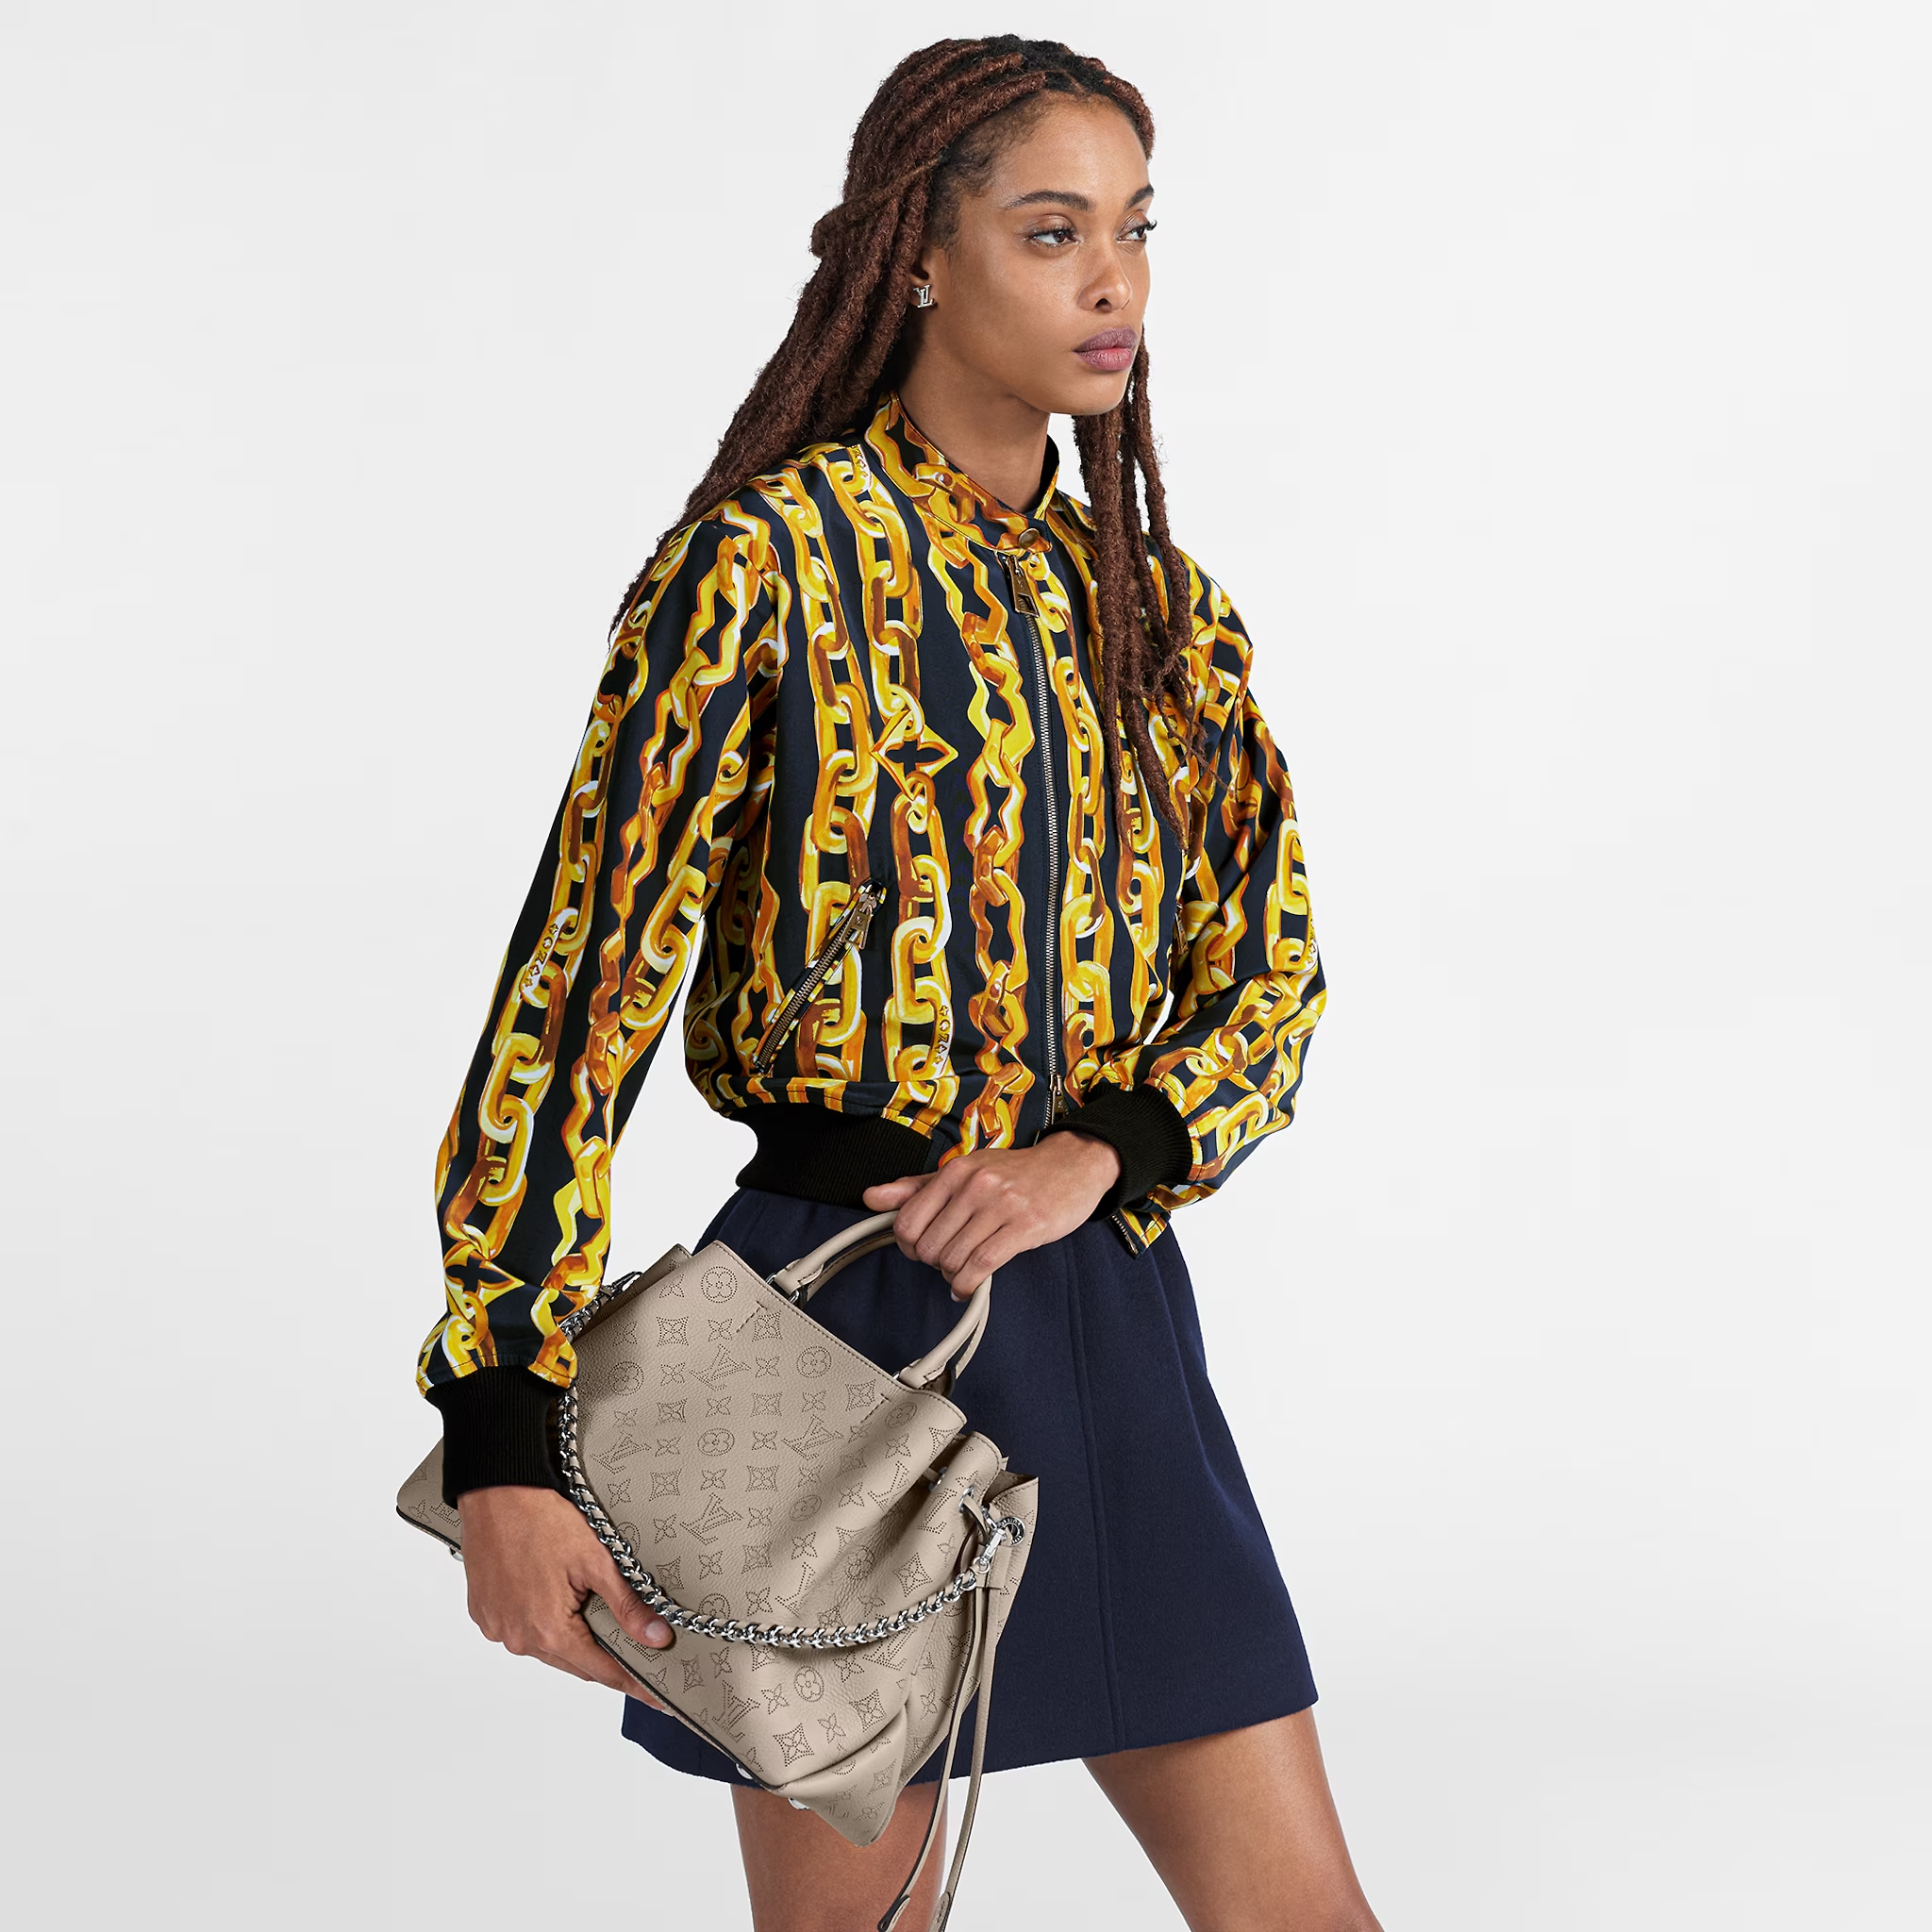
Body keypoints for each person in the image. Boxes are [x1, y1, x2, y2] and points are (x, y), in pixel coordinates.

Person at [416, 34, 1382, 1932]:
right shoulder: (757, 571)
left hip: (1108, 1320)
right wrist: (504, 1431)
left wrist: (1098, 1154)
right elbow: (569, 1009)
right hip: (833, 1331)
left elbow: (1272, 974)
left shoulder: (1159, 611)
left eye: (1136, 229)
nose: (1112, 282)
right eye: (1052, 230)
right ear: (919, 257)